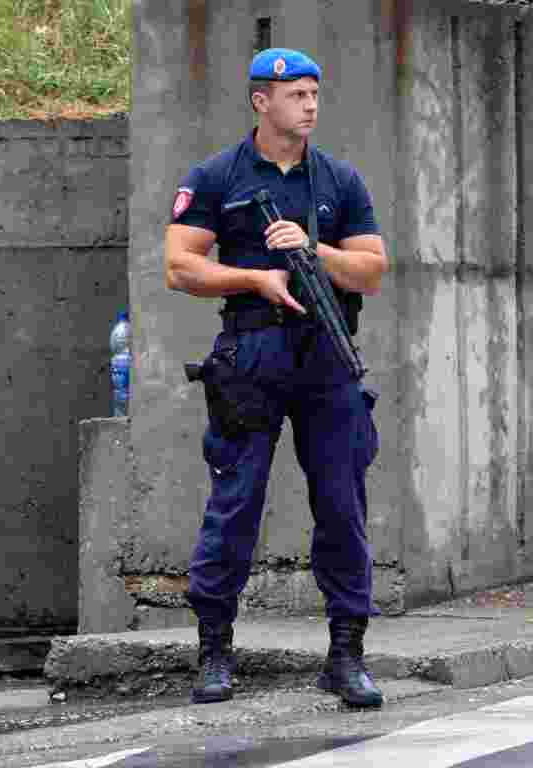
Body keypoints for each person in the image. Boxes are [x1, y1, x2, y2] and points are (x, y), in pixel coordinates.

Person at [164, 47, 388, 708]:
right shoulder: (217, 175)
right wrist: (255, 277)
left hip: (327, 354)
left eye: (315, 94)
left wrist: (313, 249)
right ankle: (214, 652)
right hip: (253, 354)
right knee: (235, 505)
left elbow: (373, 269)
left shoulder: (339, 180)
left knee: (342, 506)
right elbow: (180, 266)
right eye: (297, 96)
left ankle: (346, 655)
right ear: (262, 101)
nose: (310, 105)